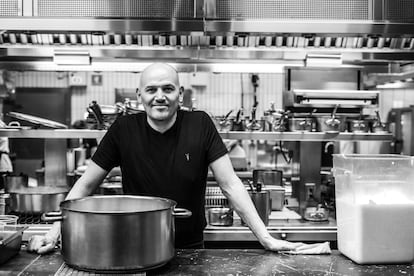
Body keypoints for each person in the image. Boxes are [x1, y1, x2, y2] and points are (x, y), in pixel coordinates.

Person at [28, 63, 326, 254]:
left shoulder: (200, 124)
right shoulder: (123, 129)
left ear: (180, 94)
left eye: (168, 89)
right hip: (135, 246)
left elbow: (230, 184)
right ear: (139, 95)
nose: (160, 96)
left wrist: (266, 238)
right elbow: (85, 185)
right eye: (152, 89)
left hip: (191, 247)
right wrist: (53, 231)